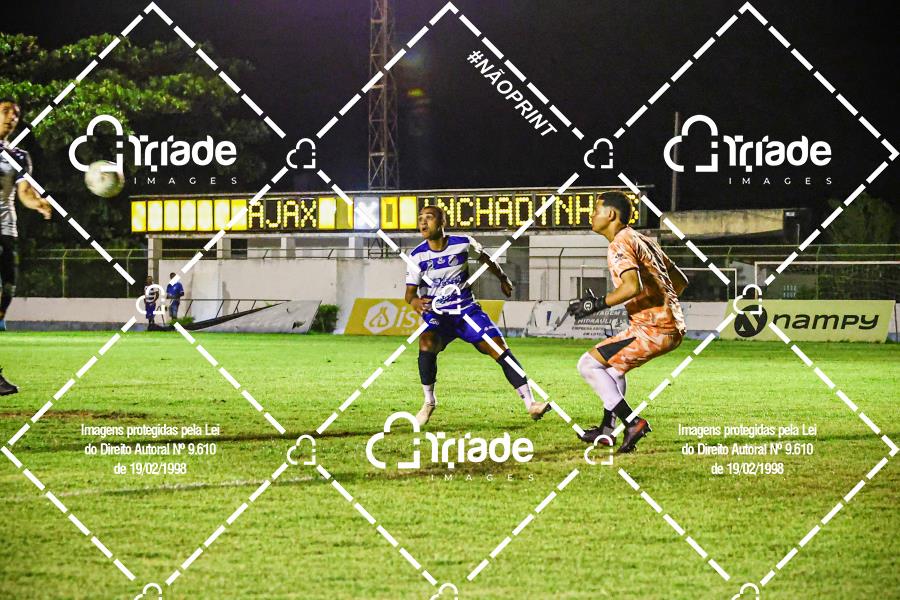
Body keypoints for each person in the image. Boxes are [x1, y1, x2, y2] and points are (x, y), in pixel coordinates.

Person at [406, 205, 550, 426]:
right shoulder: (416, 256)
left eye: (429, 217)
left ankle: (531, 404)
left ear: (442, 222)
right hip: (439, 315)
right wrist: (415, 301)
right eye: (420, 218)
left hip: (467, 311)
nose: (423, 222)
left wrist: (502, 278)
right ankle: (429, 402)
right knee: (426, 342)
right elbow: (409, 294)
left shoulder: (463, 243)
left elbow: (486, 258)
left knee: (499, 348)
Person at [569, 191, 688, 453]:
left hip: (653, 329)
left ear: (611, 214)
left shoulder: (619, 243)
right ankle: (606, 431)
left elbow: (632, 286)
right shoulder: (643, 240)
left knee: (587, 364)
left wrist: (594, 304)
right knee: (613, 372)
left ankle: (633, 423)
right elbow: (680, 281)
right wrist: (658, 305)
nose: (592, 215)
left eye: (596, 210)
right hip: (669, 327)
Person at [0, 98, 52, 332]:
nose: (12, 117)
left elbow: (24, 193)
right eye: (6, 111)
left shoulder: (19, 156)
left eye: (16, 114)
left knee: (9, 283)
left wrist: (38, 203)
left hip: (6, 226)